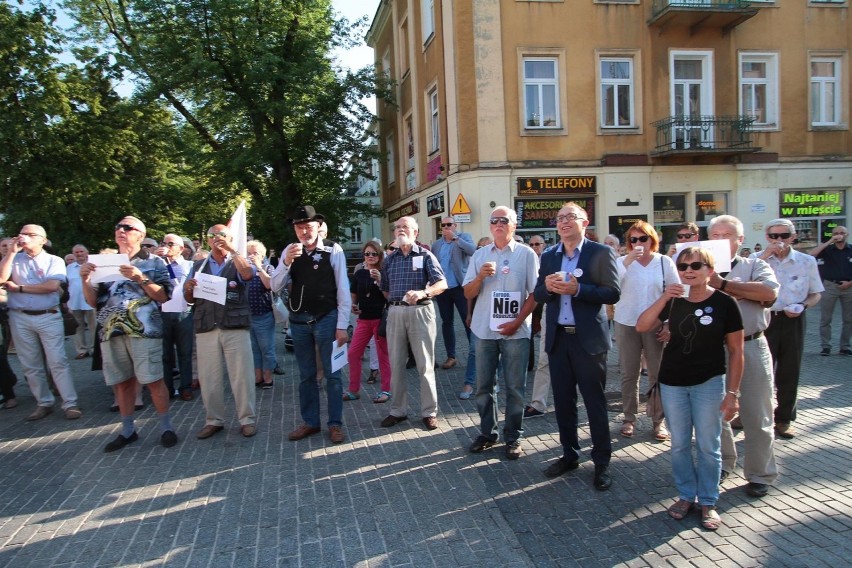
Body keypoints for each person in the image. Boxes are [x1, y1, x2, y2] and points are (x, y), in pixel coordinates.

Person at [636, 246, 743, 531]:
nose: (689, 271)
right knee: (680, 444)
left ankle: (708, 500)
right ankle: (686, 495)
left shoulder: (725, 303)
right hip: (672, 383)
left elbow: (736, 352)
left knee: (709, 446)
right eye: (683, 267)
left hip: (709, 382)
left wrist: (732, 394)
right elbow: (642, 325)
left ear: (710, 269)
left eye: (696, 265)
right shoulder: (674, 300)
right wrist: (664, 297)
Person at [534, 202, 619, 490]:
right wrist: (547, 288)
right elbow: (538, 294)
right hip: (559, 339)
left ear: (585, 222)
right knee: (563, 403)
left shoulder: (601, 252)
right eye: (559, 218)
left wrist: (578, 289)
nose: (564, 222)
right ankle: (569, 454)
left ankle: (602, 462)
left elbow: (613, 292)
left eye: (571, 217)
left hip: (588, 341)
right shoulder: (548, 256)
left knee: (594, 403)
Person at [80, 216, 177, 451]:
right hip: (111, 331)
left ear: (140, 236)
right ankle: (127, 430)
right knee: (122, 383)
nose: (121, 231)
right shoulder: (103, 262)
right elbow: (93, 301)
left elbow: (164, 296)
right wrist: (84, 279)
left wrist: (140, 278)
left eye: (128, 228)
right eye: (118, 227)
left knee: (153, 380)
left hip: (144, 330)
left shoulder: (155, 262)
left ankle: (166, 427)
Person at [708, 215, 779, 498]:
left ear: (740, 240)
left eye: (728, 234)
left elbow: (768, 293)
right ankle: (724, 463)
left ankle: (760, 473)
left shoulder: (755, 265)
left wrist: (723, 285)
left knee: (757, 413)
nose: (721, 240)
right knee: (715, 413)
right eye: (715, 235)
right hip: (712, 349)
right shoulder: (697, 267)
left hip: (750, 346)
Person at [271, 206, 351, 444]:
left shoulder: (333, 249)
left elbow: (344, 289)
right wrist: (285, 262)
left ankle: (335, 424)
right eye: (299, 227)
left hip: (327, 319)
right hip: (298, 322)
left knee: (333, 375)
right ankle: (311, 422)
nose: (303, 231)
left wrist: (342, 325)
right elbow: (274, 286)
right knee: (306, 375)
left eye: (308, 226)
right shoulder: (289, 250)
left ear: (318, 226)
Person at [464, 207, 539, 459]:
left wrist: (518, 322)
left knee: (515, 387)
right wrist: (480, 278)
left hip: (515, 332)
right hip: (485, 330)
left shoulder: (527, 255)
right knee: (483, 386)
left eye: (503, 220)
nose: (498, 224)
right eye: (493, 220)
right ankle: (488, 433)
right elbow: (467, 293)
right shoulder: (480, 255)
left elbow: (535, 294)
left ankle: (513, 437)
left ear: (514, 225)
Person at [0, 224, 82, 421]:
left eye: (29, 234)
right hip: (19, 315)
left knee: (58, 361)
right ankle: (43, 402)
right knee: (30, 364)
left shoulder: (53, 260)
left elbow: (51, 287)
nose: (23, 237)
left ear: (42, 240)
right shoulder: (13, 259)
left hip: (48, 315)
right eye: (21, 233)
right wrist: (11, 253)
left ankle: (70, 403)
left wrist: (18, 288)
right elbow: (1, 278)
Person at [184, 224, 258, 440]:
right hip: (206, 326)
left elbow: (247, 275)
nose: (217, 238)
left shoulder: (238, 260)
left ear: (231, 238)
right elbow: (189, 300)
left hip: (234, 325)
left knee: (242, 375)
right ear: (207, 240)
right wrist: (188, 289)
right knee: (209, 377)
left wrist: (233, 250)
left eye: (222, 235)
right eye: (212, 235)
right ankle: (213, 420)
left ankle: (247, 420)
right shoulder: (198, 265)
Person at [755, 219, 822, 439]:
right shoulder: (756, 260)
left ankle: (784, 418)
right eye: (774, 236)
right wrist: (764, 256)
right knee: (760, 371)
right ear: (767, 238)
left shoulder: (806, 261)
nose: (779, 241)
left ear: (793, 237)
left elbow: (816, 293)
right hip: (764, 317)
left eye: (784, 236)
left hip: (792, 318)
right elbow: (744, 282)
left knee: (789, 370)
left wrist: (803, 306)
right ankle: (755, 416)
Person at [379, 216, 448, 431]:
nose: (400, 230)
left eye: (405, 227)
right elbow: (385, 288)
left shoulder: (426, 255)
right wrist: (397, 304)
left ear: (415, 232)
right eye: (397, 227)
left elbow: (442, 283)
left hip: (421, 311)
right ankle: (398, 410)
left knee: (425, 364)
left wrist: (422, 292)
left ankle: (429, 411)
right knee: (396, 363)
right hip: (396, 312)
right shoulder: (390, 259)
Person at [615, 221, 679, 441]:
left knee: (656, 372)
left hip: (655, 323)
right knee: (628, 373)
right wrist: (627, 261)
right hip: (626, 321)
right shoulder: (622, 262)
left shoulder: (664, 262)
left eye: (643, 238)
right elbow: (612, 286)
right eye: (634, 240)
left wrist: (669, 323)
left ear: (653, 239)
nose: (639, 243)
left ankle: (657, 420)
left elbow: (675, 293)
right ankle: (629, 418)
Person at [431, 216, 476, 396]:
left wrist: (456, 239)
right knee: (446, 322)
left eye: (449, 224)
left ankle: (475, 354)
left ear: (455, 226)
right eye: (443, 225)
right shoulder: (437, 244)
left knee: (468, 320)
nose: (446, 227)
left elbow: (473, 251)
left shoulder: (464, 237)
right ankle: (451, 356)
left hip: (459, 286)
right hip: (443, 289)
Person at [346, 241, 391, 403]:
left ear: (379, 256)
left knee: (382, 355)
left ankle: (386, 390)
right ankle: (353, 390)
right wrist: (353, 305)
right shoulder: (359, 273)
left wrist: (380, 281)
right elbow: (354, 293)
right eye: (367, 254)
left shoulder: (385, 272)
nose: (370, 257)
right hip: (363, 319)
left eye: (374, 254)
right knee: (353, 354)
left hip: (380, 319)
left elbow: (389, 297)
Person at [156, 234, 195, 401]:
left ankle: (185, 387)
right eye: (164, 243)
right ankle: (167, 389)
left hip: (183, 312)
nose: (166, 246)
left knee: (185, 352)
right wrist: (157, 259)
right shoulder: (156, 264)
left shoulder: (190, 265)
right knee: (165, 355)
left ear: (181, 248)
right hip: (162, 313)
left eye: (171, 243)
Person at [809, 226, 852, 356]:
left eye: (842, 233)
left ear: (847, 235)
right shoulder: (827, 249)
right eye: (836, 233)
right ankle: (825, 346)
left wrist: (850, 283)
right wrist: (829, 241)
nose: (839, 235)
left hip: (848, 286)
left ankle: (845, 346)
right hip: (830, 286)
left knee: (848, 319)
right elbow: (812, 255)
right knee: (826, 319)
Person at [524, 235, 551, 418]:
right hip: (549, 311)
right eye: (531, 244)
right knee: (544, 360)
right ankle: (538, 403)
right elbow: (537, 290)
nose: (534, 247)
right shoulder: (551, 258)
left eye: (537, 244)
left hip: (578, 318)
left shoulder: (594, 253)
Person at [245, 240, 277, 389]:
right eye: (249, 253)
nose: (252, 256)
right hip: (247, 316)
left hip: (263, 315)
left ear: (262, 255)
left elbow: (270, 285)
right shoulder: (244, 269)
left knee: (266, 348)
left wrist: (258, 267)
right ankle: (258, 377)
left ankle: (268, 377)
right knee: (253, 350)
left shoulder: (268, 267)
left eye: (255, 253)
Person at [67, 244, 97, 360]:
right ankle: (82, 350)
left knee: (93, 327)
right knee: (77, 327)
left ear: (87, 252)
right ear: (73, 254)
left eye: (81, 251)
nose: (79, 254)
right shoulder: (69, 267)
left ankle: (95, 349)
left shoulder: (94, 265)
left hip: (90, 301)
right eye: (77, 252)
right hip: (74, 301)